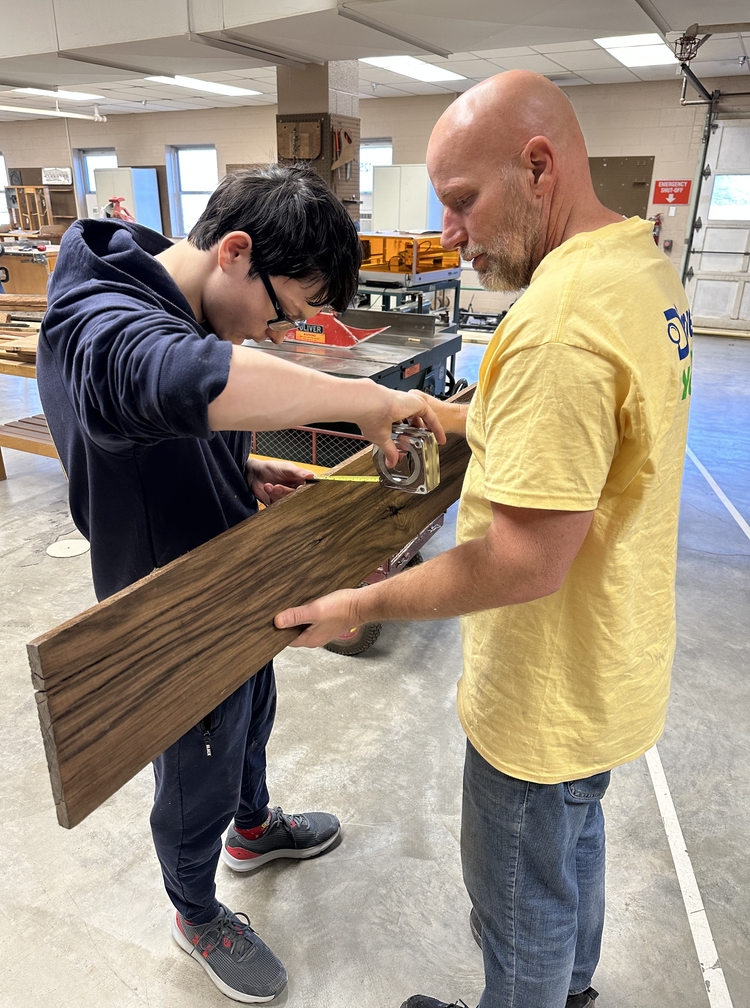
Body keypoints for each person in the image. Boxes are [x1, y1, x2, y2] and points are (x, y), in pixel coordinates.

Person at [276, 71, 693, 1008]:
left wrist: (360, 601)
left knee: (518, 902)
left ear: (537, 167)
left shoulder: (557, 326)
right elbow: (591, 442)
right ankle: (571, 991)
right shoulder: (637, 270)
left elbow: (523, 561)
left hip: (543, 690)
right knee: (571, 847)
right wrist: (454, 413)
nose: (450, 232)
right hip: (610, 663)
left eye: (462, 200)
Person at [37, 163, 443, 1005]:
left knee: (252, 709)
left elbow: (170, 422)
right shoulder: (98, 322)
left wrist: (241, 468)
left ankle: (252, 830)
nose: (274, 332)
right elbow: (167, 380)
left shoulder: (179, 294)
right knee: (198, 760)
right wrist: (356, 399)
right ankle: (194, 909)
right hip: (170, 604)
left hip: (227, 568)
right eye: (282, 310)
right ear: (235, 252)